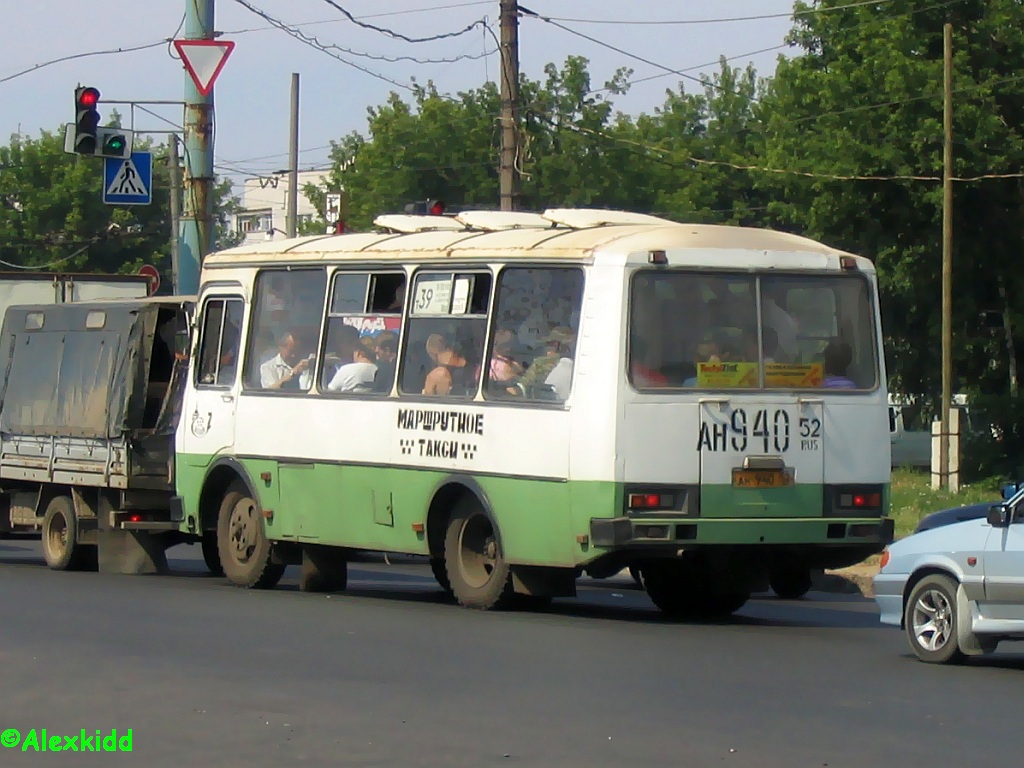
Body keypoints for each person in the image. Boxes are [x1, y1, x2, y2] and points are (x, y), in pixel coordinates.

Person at [518, 327, 575, 395]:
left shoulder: (540, 362)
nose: (546, 347)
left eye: (549, 344)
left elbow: (522, 386)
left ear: (555, 344)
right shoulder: (576, 365)